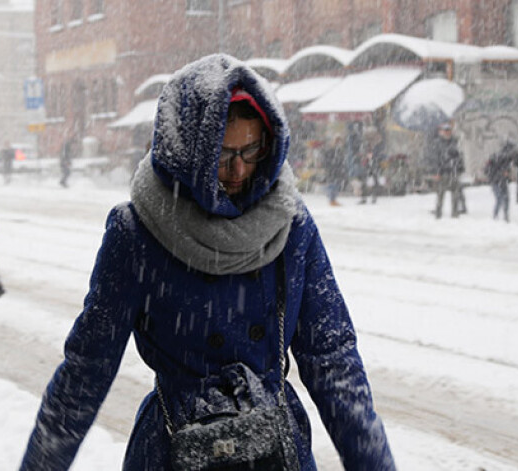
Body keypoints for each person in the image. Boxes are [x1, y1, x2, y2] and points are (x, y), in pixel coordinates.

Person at [20, 54, 395, 471]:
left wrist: (374, 464)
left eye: (251, 151)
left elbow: (332, 360)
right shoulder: (137, 232)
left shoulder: (291, 225)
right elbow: (86, 370)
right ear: (187, 154)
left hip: (273, 449)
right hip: (177, 449)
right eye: (220, 156)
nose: (238, 170)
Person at [428, 122, 465, 219]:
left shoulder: (455, 142)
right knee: (440, 194)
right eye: (446, 130)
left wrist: (460, 168)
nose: (448, 132)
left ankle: (455, 213)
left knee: (455, 194)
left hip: (454, 171)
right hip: (443, 172)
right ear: (442, 132)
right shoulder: (438, 143)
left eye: (449, 130)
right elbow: (436, 159)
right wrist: (437, 172)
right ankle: (438, 213)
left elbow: (460, 156)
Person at [484, 141, 515, 222]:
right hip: (497, 181)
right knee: (501, 198)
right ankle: (498, 216)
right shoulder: (502, 157)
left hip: (499, 181)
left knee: (502, 198)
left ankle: (501, 216)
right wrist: (502, 173)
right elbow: (490, 169)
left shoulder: (501, 157)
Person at [323, 135, 348, 206]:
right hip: (333, 169)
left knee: (336, 184)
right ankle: (332, 199)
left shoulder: (339, 150)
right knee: (332, 184)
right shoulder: (331, 150)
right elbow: (327, 160)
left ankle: (333, 199)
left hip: (337, 169)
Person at [359, 134, 384, 204]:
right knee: (365, 183)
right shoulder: (368, 146)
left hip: (373, 168)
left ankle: (373, 197)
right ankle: (365, 198)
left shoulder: (377, 148)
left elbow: (378, 158)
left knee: (374, 183)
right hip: (369, 168)